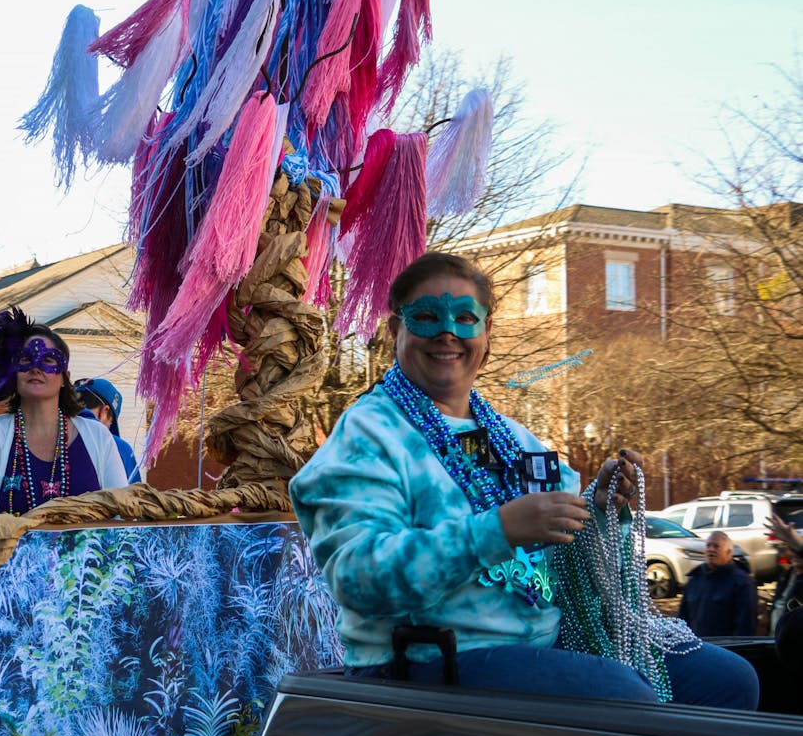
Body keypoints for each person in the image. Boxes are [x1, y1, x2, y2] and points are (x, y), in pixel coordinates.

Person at [289, 252, 758, 709]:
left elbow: (571, 556)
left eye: (465, 318)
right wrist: (497, 531)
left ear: (487, 332)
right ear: (396, 330)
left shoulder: (512, 437)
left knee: (728, 680)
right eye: (427, 317)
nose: (448, 333)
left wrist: (601, 509)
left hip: (543, 641)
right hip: (427, 660)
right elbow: (359, 578)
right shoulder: (368, 434)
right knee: (623, 700)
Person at [0, 308, 128, 519]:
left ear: (65, 377)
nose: (36, 368)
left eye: (48, 360)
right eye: (25, 359)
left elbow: (122, 518)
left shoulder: (97, 436)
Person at [678, 531, 758, 637]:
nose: (711, 549)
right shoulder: (695, 579)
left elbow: (745, 626)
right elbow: (683, 619)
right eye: (708, 546)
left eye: (716, 546)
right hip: (696, 647)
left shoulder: (742, 583)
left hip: (725, 649)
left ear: (728, 553)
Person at [75, 377, 140, 482]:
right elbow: (136, 496)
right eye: (110, 422)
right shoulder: (118, 447)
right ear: (104, 412)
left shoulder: (51, 435)